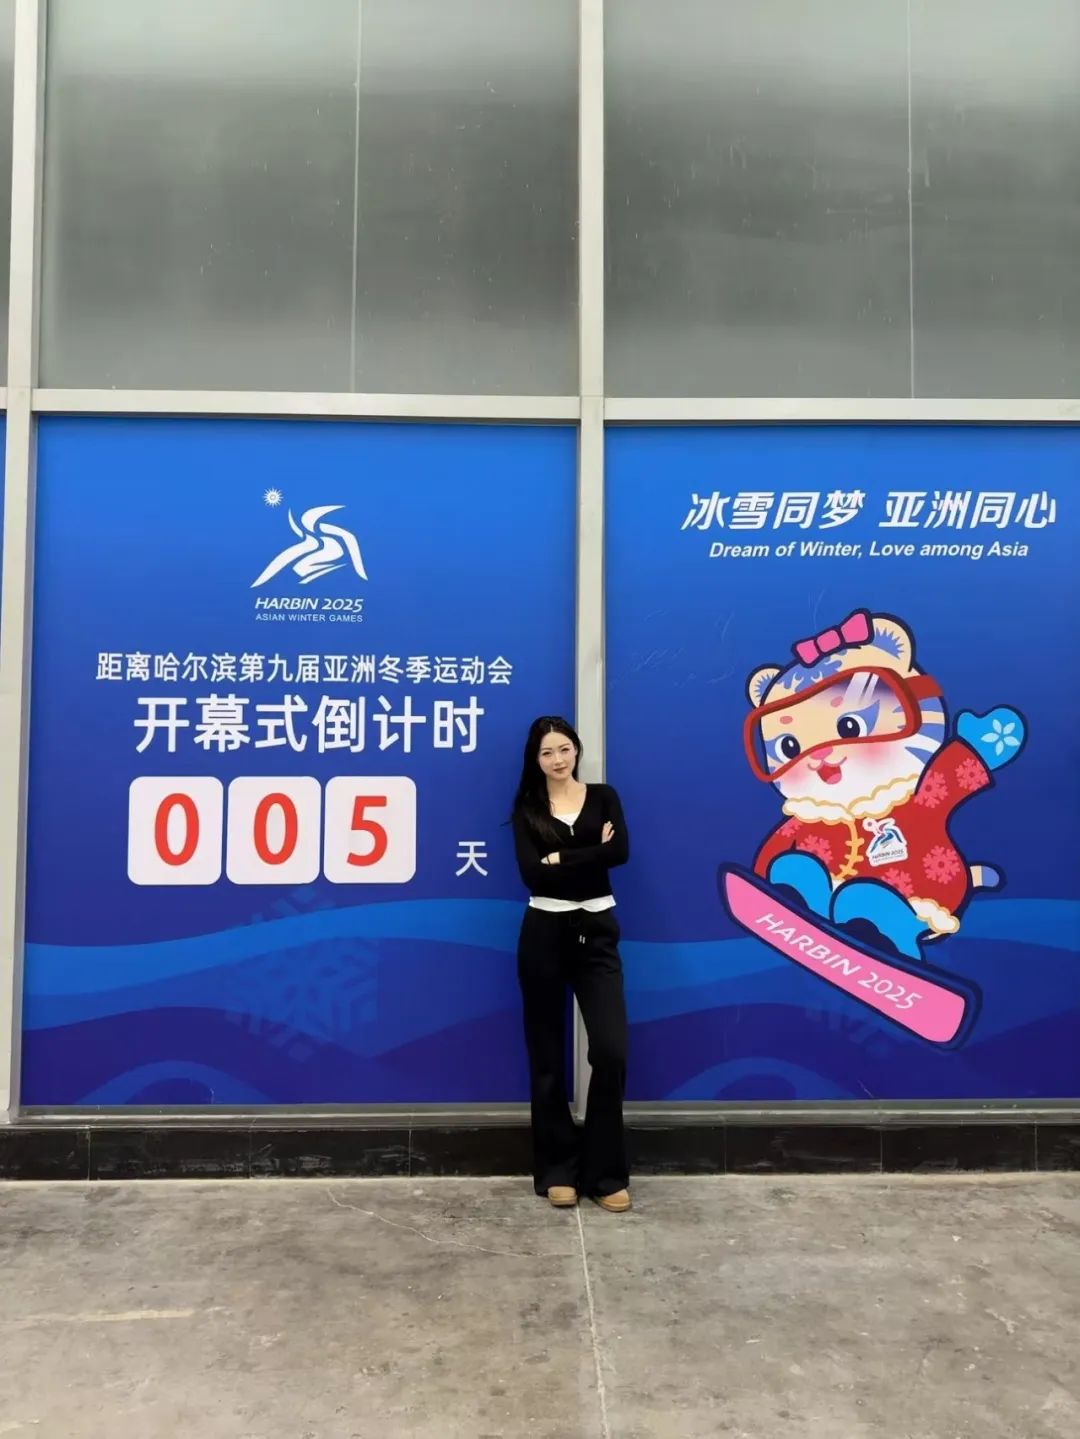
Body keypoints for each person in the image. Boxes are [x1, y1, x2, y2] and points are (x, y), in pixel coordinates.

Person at [510, 716, 631, 1212]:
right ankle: (557, 1169)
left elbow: (620, 852)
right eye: (547, 752)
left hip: (597, 932)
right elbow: (532, 876)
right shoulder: (527, 808)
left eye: (564, 749)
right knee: (547, 1057)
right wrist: (592, 852)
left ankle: (604, 1172)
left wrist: (563, 858)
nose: (557, 759)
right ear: (535, 760)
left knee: (611, 1049)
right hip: (543, 933)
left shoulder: (604, 797)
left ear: (576, 750)